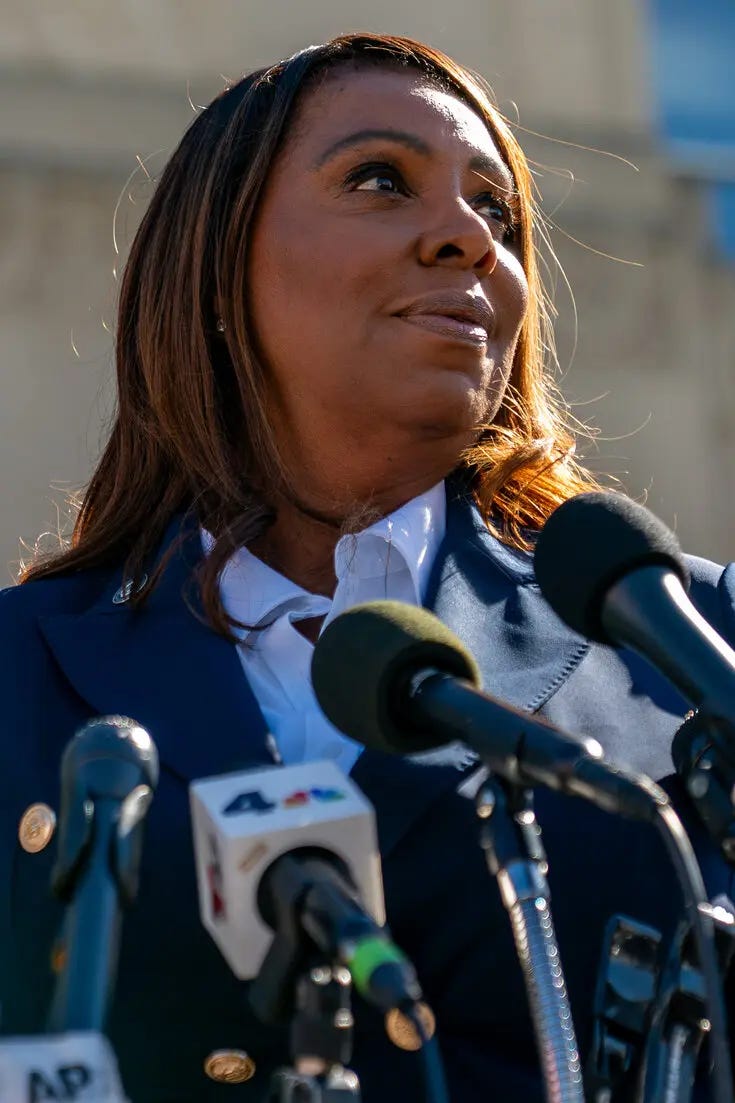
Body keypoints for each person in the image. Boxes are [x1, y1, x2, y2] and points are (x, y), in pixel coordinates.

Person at [1, 31, 733, 1102]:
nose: (468, 238)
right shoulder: (19, 672)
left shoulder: (690, 642)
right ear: (216, 268)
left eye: (496, 212)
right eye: (381, 180)